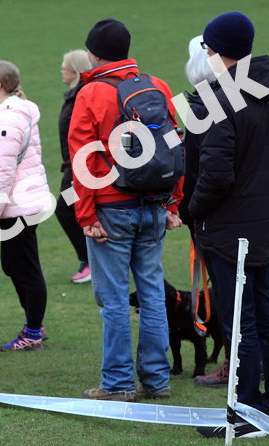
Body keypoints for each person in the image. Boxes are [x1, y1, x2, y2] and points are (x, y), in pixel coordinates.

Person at [69, 18, 184, 401]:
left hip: (110, 211)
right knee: (152, 294)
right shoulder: (157, 86)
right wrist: (172, 204)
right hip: (153, 206)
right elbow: (176, 149)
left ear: (93, 53)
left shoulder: (91, 94)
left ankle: (117, 384)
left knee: (114, 299)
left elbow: (82, 161)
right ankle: (156, 380)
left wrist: (86, 217)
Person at [189, 12, 269, 438]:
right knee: (266, 316)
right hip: (261, 225)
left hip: (228, 231)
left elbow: (216, 174)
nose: (207, 58)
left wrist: (195, 211)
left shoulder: (221, 100)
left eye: (209, 51)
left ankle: (246, 413)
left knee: (240, 322)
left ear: (219, 53)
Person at [0, 61, 52, 351]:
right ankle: (34, 324)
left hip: (19, 204)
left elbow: (5, 172)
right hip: (22, 201)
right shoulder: (17, 110)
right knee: (12, 266)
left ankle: (33, 332)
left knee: (26, 269)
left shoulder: (8, 119)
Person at [179, 35, 231, 386]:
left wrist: (191, 212)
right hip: (232, 210)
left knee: (228, 289)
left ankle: (234, 361)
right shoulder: (239, 97)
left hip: (213, 215)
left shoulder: (203, 107)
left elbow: (199, 169)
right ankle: (239, 359)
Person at [57, 50, 92, 284]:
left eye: (65, 68)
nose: (61, 71)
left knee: (64, 208)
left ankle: (90, 261)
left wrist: (76, 172)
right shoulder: (74, 95)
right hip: (73, 168)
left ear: (76, 71)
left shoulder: (81, 97)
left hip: (78, 171)